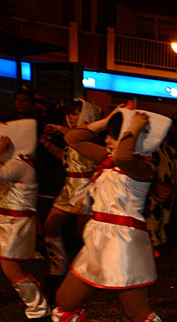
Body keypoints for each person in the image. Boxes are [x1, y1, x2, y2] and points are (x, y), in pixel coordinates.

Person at [29, 107, 177, 322]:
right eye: (111, 136)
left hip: (123, 247)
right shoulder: (109, 161)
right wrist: (107, 120)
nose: (108, 141)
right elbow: (75, 139)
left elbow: (126, 155)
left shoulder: (141, 167)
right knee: (65, 300)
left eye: (114, 136)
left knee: (138, 313)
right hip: (98, 242)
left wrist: (132, 129)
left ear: (138, 139)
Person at [0, 119, 51, 320]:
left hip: (13, 224)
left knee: (10, 267)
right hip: (2, 220)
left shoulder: (20, 164)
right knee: (9, 266)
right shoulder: (15, 163)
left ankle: (38, 307)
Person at [40, 99, 102, 277]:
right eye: (70, 114)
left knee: (86, 236)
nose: (71, 117)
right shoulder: (73, 136)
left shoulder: (90, 136)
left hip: (86, 190)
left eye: (75, 113)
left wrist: (60, 129)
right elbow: (68, 160)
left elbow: (76, 142)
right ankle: (59, 267)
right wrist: (47, 144)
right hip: (68, 190)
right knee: (50, 227)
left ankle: (92, 272)